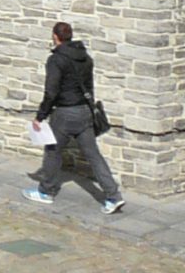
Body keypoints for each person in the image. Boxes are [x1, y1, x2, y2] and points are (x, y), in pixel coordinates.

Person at [26, 20, 124, 214]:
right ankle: (113, 195)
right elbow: (89, 87)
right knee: (93, 155)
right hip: (84, 112)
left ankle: (46, 191)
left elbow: (51, 92)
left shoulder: (56, 60)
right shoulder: (85, 57)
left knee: (53, 151)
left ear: (55, 37)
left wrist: (40, 116)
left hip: (64, 113)